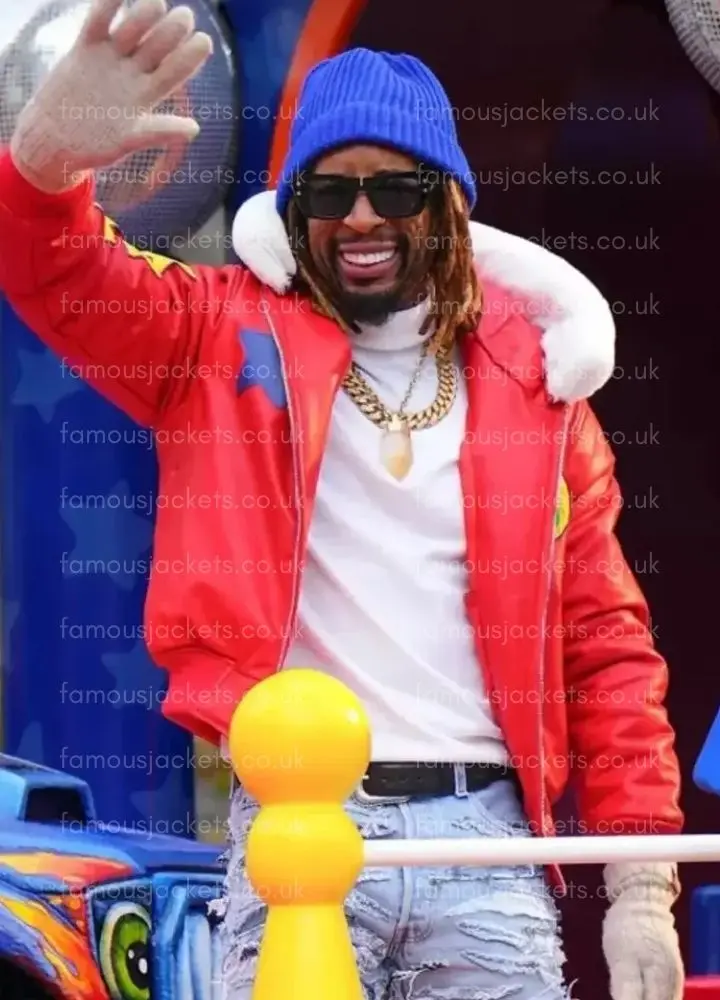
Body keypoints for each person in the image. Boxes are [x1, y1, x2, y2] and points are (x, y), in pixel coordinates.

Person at [0, 0, 683, 998]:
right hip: (298, 822)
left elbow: (607, 645)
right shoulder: (218, 341)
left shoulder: (542, 392)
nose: (360, 216)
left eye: (395, 186)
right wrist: (43, 166)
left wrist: (641, 884)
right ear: (294, 213)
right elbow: (58, 274)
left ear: (447, 208)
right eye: (328, 191)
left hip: (485, 844)